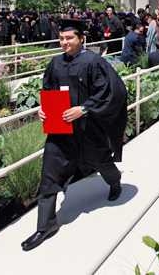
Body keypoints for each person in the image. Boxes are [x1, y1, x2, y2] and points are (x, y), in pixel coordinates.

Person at [21, 19, 128, 251]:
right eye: (61, 38)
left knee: (101, 161)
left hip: (88, 129)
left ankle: (115, 181)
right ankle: (46, 225)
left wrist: (84, 108)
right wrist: (44, 108)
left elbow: (109, 90)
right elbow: (48, 89)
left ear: (82, 39)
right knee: (49, 173)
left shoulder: (94, 62)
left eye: (69, 38)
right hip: (61, 129)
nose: (64, 43)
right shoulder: (56, 63)